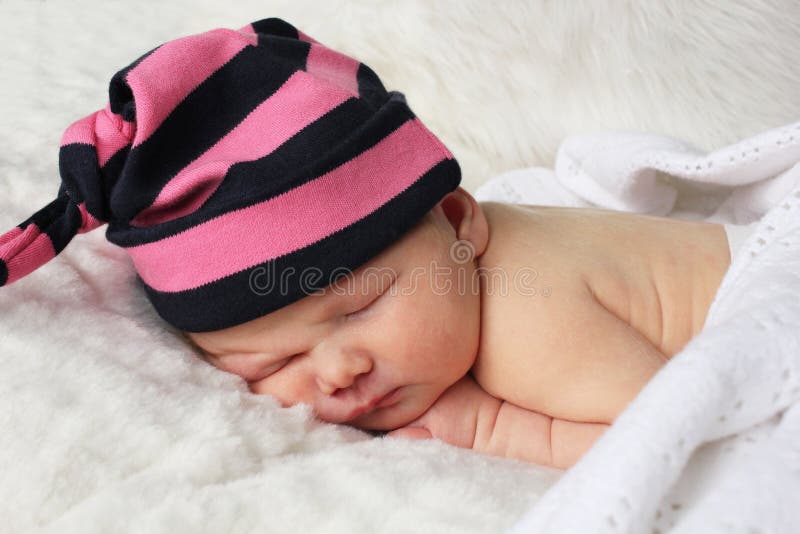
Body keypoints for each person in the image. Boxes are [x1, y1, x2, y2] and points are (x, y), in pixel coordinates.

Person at [0, 17, 734, 470]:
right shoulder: (454, 278)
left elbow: (680, 440)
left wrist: (489, 426)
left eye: (359, 308)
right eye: (273, 363)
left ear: (456, 221)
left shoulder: (525, 317)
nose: (339, 371)